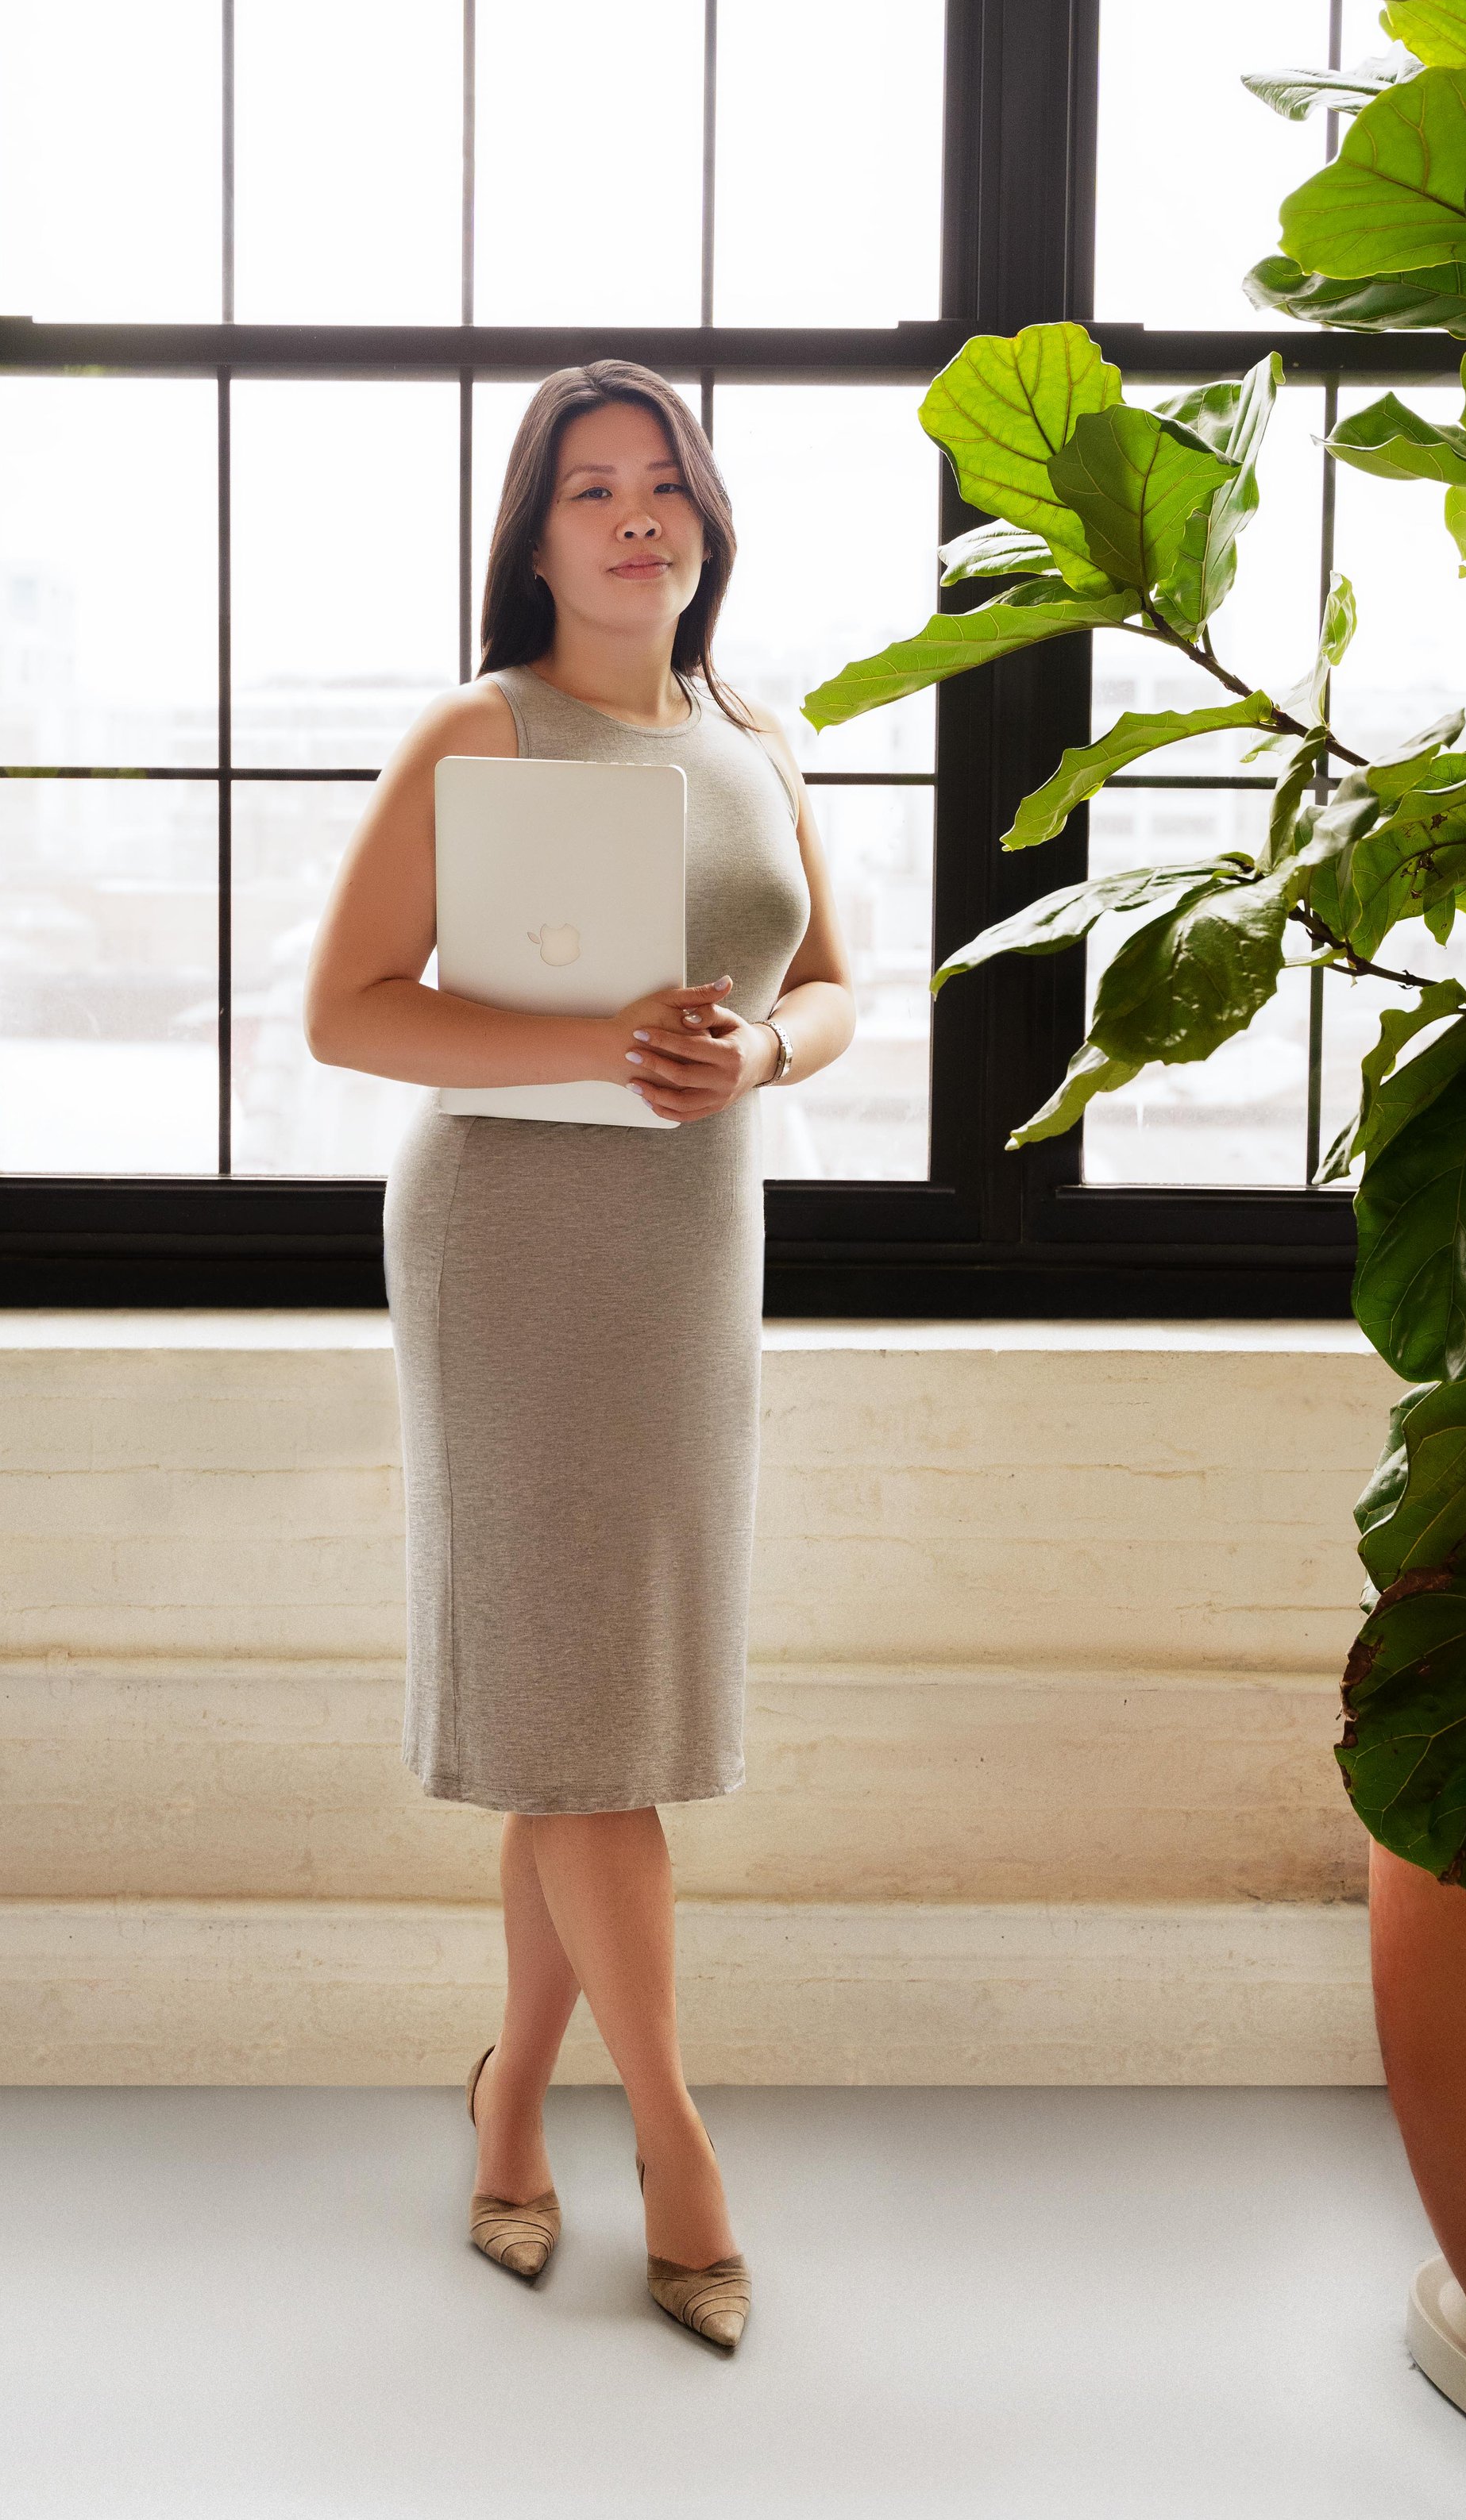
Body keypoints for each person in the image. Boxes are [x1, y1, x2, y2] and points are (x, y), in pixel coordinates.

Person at [305, 360, 855, 2352]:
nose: (635, 518)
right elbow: (347, 1013)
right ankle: (678, 2147)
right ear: (530, 534)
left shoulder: (747, 732)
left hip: (694, 1242)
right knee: (580, 1708)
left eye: (662, 486)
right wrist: (598, 1049)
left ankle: (512, 2098)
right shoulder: (485, 728)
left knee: (584, 1707)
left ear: (704, 520)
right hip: (515, 1248)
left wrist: (756, 1052)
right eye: (587, 491)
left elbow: (832, 988)